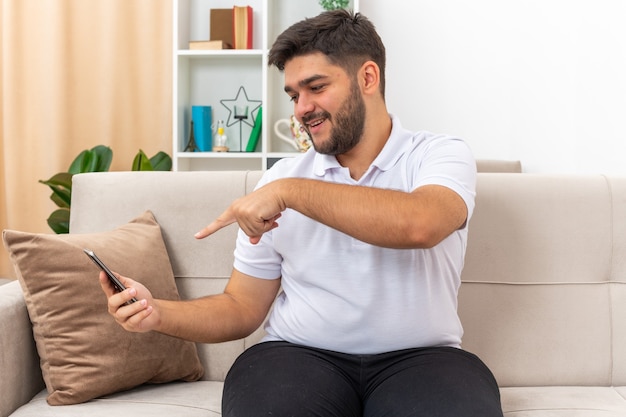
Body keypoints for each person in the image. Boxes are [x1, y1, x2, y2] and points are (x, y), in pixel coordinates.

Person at [100, 9, 503, 417]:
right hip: (298, 357)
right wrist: (157, 313)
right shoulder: (280, 180)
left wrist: (290, 192)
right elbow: (241, 307)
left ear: (368, 77)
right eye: (294, 94)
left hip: (424, 359)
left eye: (315, 87)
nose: (301, 109)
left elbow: (422, 223)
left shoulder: (438, 154)